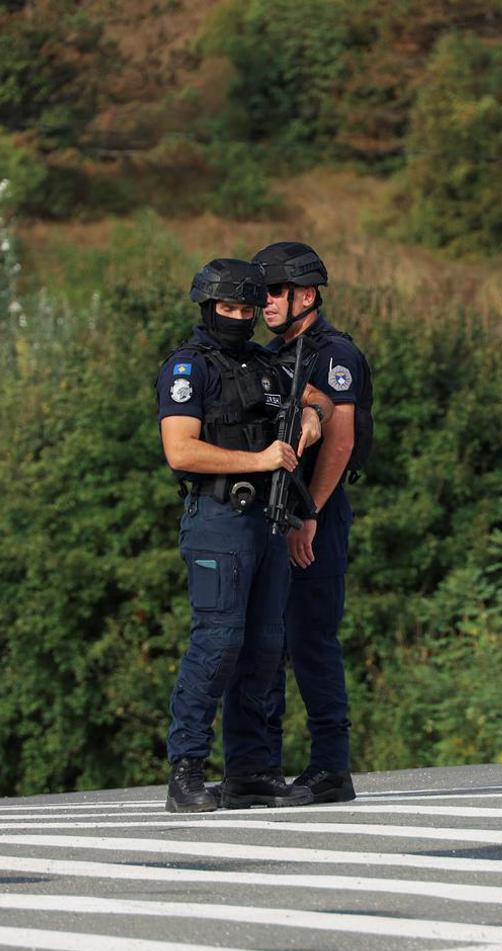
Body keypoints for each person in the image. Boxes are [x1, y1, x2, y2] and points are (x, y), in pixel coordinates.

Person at [157, 258, 331, 812]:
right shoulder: (189, 368)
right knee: (218, 643)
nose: (237, 318)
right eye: (227, 308)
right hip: (217, 520)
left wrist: (312, 419)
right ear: (208, 309)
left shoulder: (264, 364)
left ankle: (253, 771)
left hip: (267, 522)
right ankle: (186, 770)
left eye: (246, 310)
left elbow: (317, 398)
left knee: (264, 649)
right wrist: (258, 460)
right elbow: (180, 449)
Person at [255, 241, 373, 804]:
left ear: (307, 295)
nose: (266, 303)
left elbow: (341, 440)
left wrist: (310, 513)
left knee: (311, 640)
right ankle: (262, 767)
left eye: (275, 292)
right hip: (273, 509)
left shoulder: (334, 354)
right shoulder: (272, 354)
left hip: (313, 511)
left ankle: (330, 767)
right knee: (265, 641)